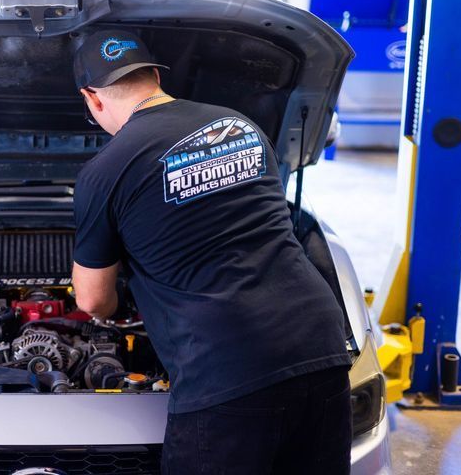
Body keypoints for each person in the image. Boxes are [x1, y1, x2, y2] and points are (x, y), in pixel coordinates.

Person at [70, 30, 353, 474]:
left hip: (226, 371)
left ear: (92, 98)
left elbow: (92, 300)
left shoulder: (104, 171)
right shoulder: (238, 125)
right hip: (319, 346)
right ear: (154, 76)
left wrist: (123, 299)